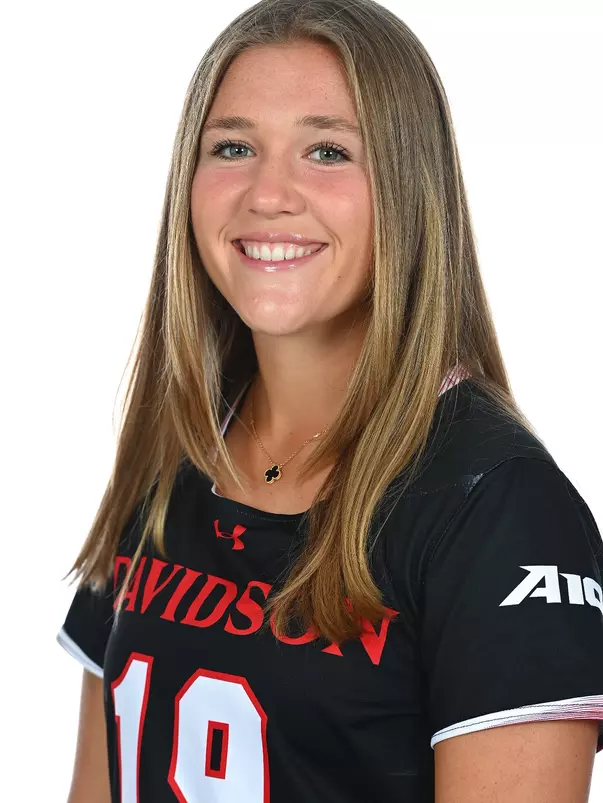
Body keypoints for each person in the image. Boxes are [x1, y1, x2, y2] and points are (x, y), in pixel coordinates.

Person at [57, 1, 603, 801]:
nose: (268, 194)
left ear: (408, 188)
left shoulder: (499, 506)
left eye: (327, 151)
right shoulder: (171, 455)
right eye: (233, 147)